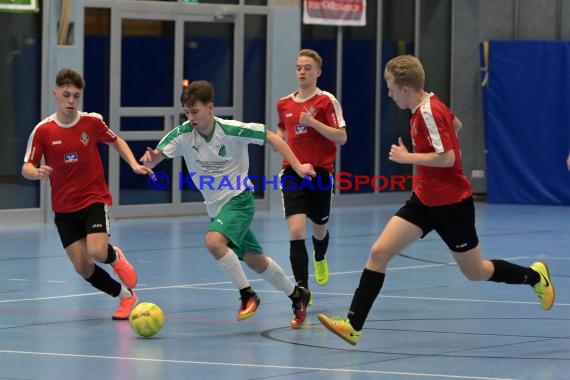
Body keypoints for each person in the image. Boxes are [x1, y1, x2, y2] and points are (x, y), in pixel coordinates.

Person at [318, 55, 555, 345]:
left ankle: (534, 277)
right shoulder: (426, 106)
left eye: (391, 87)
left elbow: (449, 157)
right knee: (379, 252)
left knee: (475, 271)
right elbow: (456, 125)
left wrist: (409, 158)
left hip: (452, 206)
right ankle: (353, 325)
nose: (389, 93)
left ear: (405, 89)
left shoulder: (429, 111)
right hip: (423, 201)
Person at [140, 80, 314, 328]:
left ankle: (247, 295)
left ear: (210, 108)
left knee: (213, 241)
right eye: (187, 112)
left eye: (195, 111)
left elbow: (273, 139)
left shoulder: (232, 130)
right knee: (256, 260)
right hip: (216, 209)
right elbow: (156, 158)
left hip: (239, 200)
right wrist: (150, 160)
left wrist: (297, 166)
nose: (191, 118)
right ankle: (298, 295)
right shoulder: (182, 135)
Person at [21, 68, 153, 320]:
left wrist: (133, 164)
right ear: (56, 93)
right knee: (82, 266)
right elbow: (26, 166)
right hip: (63, 208)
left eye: (76, 96)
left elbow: (116, 141)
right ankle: (126, 297)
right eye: (66, 94)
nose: (71, 101)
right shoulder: (43, 130)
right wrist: (35, 172)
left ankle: (114, 256)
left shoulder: (91, 122)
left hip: (93, 197)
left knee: (97, 251)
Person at [276, 49, 347, 295]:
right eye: (299, 67)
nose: (302, 72)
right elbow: (282, 136)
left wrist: (313, 122)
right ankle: (302, 291)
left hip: (320, 174)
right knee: (296, 231)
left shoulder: (326, 101)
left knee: (319, 227)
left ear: (318, 72)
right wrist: (280, 143)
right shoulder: (283, 103)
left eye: (307, 67)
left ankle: (320, 255)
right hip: (293, 173)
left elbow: (342, 137)